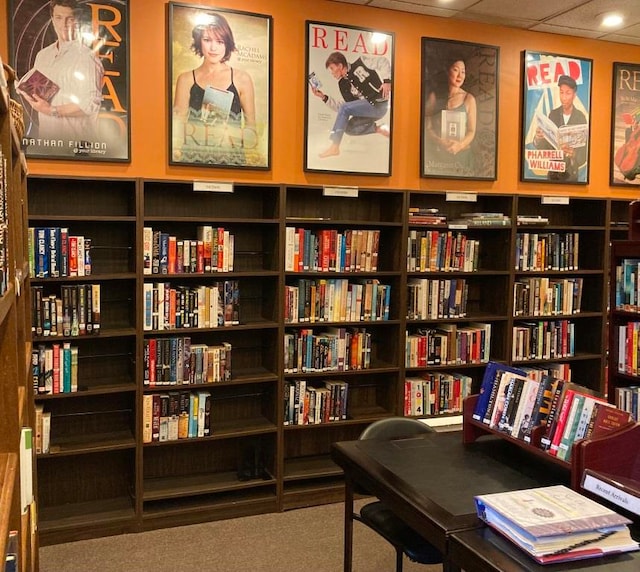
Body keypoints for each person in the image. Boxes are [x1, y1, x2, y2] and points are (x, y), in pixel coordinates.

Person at [172, 12, 257, 165]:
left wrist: (229, 133)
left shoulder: (242, 79)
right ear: (199, 41)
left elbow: (252, 131)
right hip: (194, 161)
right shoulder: (185, 80)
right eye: (207, 40)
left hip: (232, 162)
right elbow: (177, 130)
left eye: (220, 41)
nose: (213, 47)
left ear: (227, 43)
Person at [18, 0, 104, 146]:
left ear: (77, 22)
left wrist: (51, 110)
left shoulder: (87, 58)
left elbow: (90, 104)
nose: (63, 24)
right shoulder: (42, 55)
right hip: (48, 144)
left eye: (69, 18)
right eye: (58, 18)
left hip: (78, 149)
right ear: (52, 20)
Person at [311, 51, 391, 158]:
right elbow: (344, 109)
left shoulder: (361, 62)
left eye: (332, 69)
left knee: (345, 109)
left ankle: (334, 146)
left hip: (379, 104)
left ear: (340, 65)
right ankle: (378, 129)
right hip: (368, 112)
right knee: (348, 128)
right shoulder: (343, 84)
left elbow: (383, 61)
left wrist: (387, 81)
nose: (332, 73)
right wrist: (323, 97)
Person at [423, 55, 477, 175]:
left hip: (462, 157)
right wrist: (439, 141)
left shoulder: (469, 99)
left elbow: (471, 131)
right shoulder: (434, 96)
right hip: (437, 158)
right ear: (447, 71)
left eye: (463, 72)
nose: (460, 75)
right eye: (456, 70)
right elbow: (428, 127)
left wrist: (459, 145)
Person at [533, 74, 588, 182]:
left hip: (571, 175)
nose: (564, 97)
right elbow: (545, 148)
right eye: (561, 92)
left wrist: (574, 154)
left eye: (568, 93)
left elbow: (584, 152)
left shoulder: (580, 117)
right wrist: (538, 138)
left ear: (574, 95)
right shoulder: (553, 114)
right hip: (554, 174)